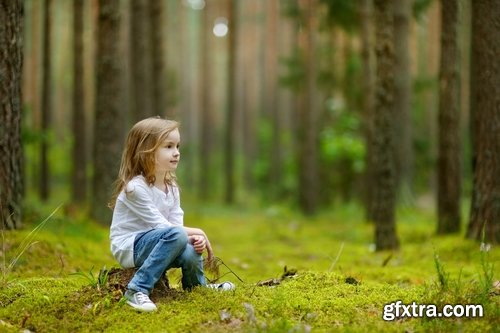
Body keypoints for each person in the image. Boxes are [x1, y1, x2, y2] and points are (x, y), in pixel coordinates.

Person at [109, 117, 234, 312]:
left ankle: (196, 287)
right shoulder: (135, 188)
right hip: (130, 247)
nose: (176, 153)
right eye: (168, 146)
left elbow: (176, 225)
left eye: (177, 146)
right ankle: (136, 289)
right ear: (146, 151)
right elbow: (165, 227)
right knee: (178, 234)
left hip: (161, 241)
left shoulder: (172, 187)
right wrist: (197, 231)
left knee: (190, 246)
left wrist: (193, 238)